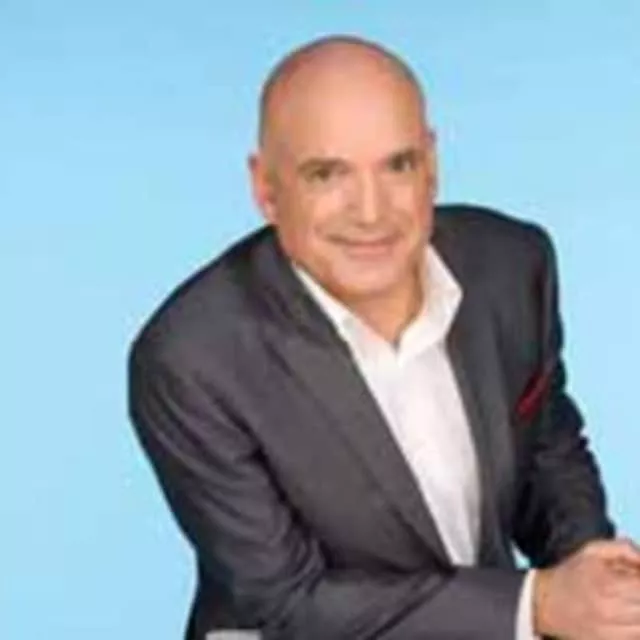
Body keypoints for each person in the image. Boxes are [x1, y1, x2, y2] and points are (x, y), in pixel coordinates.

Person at [127, 35, 640, 640]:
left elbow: (548, 455)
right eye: (326, 174)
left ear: (432, 164)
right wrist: (539, 605)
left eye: (398, 165)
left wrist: (600, 586)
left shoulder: (512, 265)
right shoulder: (191, 357)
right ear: (265, 188)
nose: (371, 212)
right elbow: (288, 604)